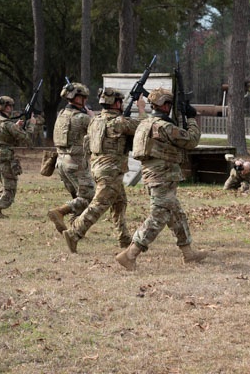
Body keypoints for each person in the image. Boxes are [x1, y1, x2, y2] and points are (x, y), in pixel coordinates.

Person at [116, 87, 207, 270]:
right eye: (170, 104)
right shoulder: (164, 127)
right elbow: (191, 140)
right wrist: (190, 118)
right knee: (159, 216)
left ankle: (188, 253)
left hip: (156, 175)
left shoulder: (144, 124)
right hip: (162, 177)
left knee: (176, 214)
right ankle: (130, 254)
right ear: (165, 106)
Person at [62, 88, 145, 253]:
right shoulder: (119, 122)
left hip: (98, 168)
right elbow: (144, 128)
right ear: (117, 103)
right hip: (110, 171)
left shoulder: (95, 120)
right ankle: (74, 232)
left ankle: (123, 238)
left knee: (120, 202)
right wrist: (141, 108)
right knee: (99, 205)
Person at [47, 82, 96, 234]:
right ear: (77, 98)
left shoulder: (61, 114)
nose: (86, 101)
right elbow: (99, 130)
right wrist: (93, 117)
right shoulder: (81, 117)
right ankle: (60, 212)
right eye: (84, 98)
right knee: (89, 196)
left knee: (78, 196)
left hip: (61, 162)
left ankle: (74, 229)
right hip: (75, 162)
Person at [0, 96, 36, 218]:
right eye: (11, 106)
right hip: (4, 157)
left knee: (5, 183)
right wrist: (31, 125)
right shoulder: (8, 124)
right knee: (10, 186)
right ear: (6, 107)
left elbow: (4, 136)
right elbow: (27, 140)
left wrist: (16, 126)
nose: (12, 108)